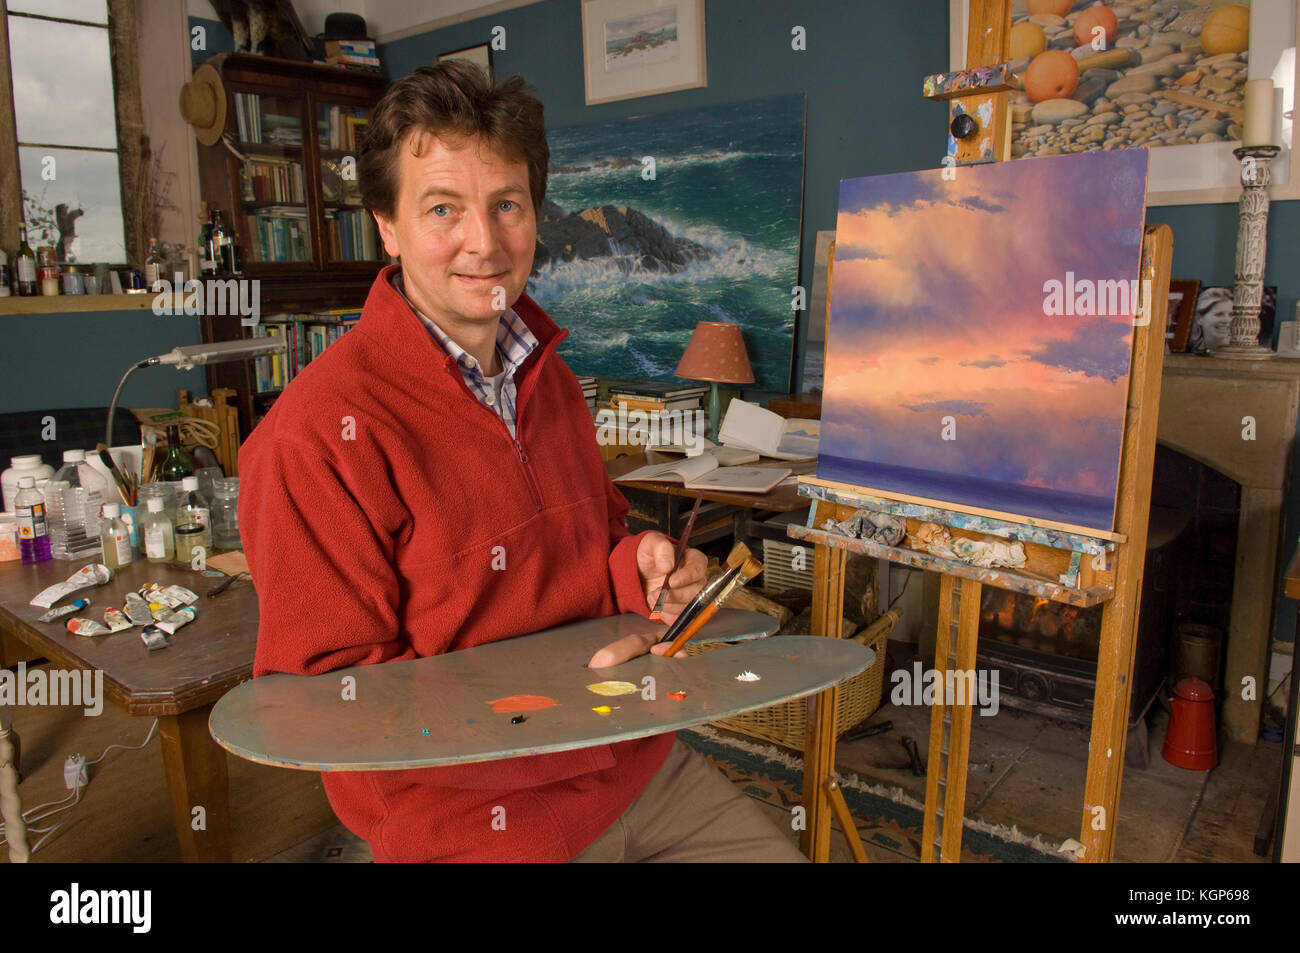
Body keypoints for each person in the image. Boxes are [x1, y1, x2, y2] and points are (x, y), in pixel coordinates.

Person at [238, 61, 806, 863]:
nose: (485, 242)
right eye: (443, 208)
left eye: (507, 204)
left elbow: (590, 557)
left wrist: (636, 565)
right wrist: (543, 711)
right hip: (473, 822)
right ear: (389, 228)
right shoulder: (310, 440)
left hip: (635, 763)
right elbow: (331, 705)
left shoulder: (552, 380)